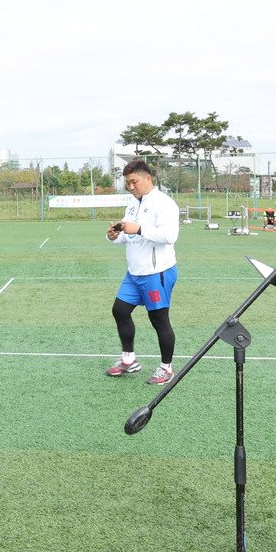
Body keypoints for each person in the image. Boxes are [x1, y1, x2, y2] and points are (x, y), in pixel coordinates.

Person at [105, 159, 179, 385]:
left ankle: (166, 368)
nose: (130, 187)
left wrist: (139, 229)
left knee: (159, 320)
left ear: (148, 178)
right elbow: (129, 235)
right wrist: (114, 236)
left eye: (133, 182)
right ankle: (129, 360)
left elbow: (169, 236)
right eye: (127, 183)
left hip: (157, 273)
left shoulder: (164, 204)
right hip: (134, 273)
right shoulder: (132, 205)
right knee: (120, 310)